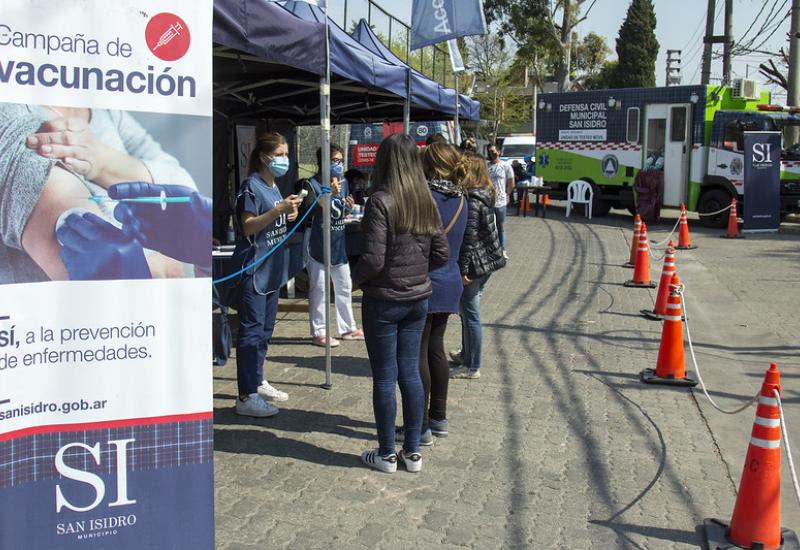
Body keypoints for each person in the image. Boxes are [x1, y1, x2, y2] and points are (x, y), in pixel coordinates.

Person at [0, 103, 200, 284]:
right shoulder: (16, 122)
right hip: (62, 323)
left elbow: (186, 190)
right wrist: (160, 262)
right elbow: (114, 272)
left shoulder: (106, 112)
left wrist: (103, 160)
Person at [353, 133, 449, 473]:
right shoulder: (426, 200)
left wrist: (355, 279)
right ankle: (412, 452)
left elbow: (373, 259)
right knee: (409, 371)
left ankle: (386, 453)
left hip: (383, 299)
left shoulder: (380, 201)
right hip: (418, 298)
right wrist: (418, 273)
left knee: (384, 376)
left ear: (384, 161)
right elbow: (442, 253)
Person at [232, 132, 303, 417]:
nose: (285, 159)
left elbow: (274, 218)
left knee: (265, 331)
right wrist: (277, 211)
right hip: (253, 269)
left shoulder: (273, 186)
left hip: (272, 272)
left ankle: (257, 380)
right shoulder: (251, 187)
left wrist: (289, 214)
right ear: (264, 157)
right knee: (250, 332)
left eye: (287, 154)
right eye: (280, 154)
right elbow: (248, 226)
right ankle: (245, 396)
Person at [413, 142, 467, 442]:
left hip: (425, 280)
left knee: (418, 352)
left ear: (429, 165)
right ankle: (439, 417)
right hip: (451, 281)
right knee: (437, 348)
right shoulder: (462, 198)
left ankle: (419, 424)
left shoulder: (424, 197)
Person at [450, 152, 506, 380]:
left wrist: (464, 272)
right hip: (487, 262)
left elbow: (469, 240)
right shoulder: (484, 194)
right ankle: (466, 355)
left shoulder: (472, 200)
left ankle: (472, 366)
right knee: (467, 312)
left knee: (470, 314)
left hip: (476, 266)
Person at [303, 144, 363, 347]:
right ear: (323, 163)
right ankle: (319, 331)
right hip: (317, 241)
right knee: (319, 288)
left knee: (344, 284)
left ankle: (348, 328)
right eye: (334, 160)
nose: (338, 164)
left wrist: (347, 206)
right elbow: (310, 210)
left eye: (340, 160)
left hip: (338, 241)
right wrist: (327, 194)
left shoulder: (344, 183)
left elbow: (339, 212)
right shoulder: (311, 184)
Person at [486, 143, 514, 259]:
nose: (491, 154)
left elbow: (511, 182)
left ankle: (502, 250)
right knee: (489, 228)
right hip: (488, 202)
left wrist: (506, 194)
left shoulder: (505, 166)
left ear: (499, 152)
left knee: (500, 227)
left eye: (493, 151)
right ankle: (491, 250)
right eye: (489, 152)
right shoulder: (486, 166)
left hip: (501, 202)